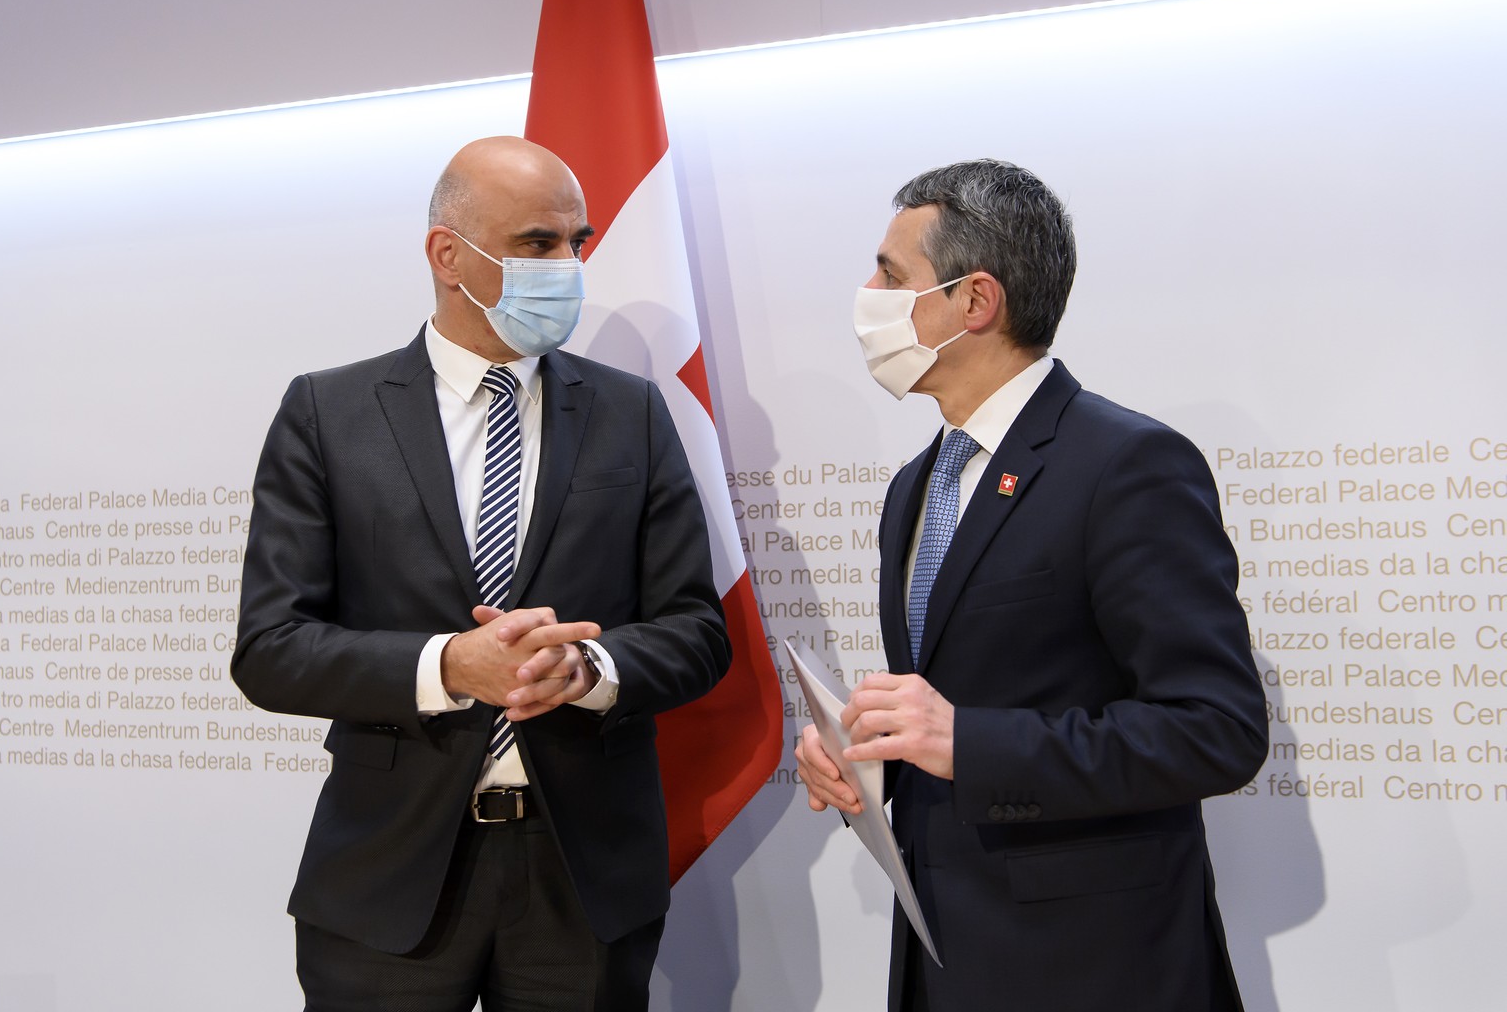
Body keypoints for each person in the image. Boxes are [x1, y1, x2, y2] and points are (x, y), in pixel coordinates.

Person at [231, 136, 730, 1011]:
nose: (569, 266)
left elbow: (696, 630)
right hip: (388, 879)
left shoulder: (631, 412)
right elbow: (272, 647)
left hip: (582, 883)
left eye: (578, 242)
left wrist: (591, 670)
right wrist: (450, 666)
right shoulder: (328, 412)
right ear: (447, 254)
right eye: (540, 242)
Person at [795, 159, 1268, 1011]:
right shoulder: (916, 483)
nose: (866, 295)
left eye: (891, 275)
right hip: (942, 945)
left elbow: (1216, 730)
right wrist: (865, 761)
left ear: (974, 302)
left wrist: (968, 743)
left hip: (1091, 965)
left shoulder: (1127, 464)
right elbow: (955, 704)